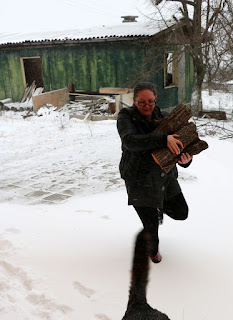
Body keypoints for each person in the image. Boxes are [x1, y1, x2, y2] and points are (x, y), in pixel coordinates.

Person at [117, 82, 192, 263]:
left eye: (150, 101)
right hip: (139, 179)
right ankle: (154, 255)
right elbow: (130, 141)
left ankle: (157, 207)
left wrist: (186, 160)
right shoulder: (126, 116)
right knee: (151, 231)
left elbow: (179, 146)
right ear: (134, 100)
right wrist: (162, 138)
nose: (147, 106)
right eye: (141, 102)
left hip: (163, 177)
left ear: (155, 99)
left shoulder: (166, 118)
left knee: (181, 212)